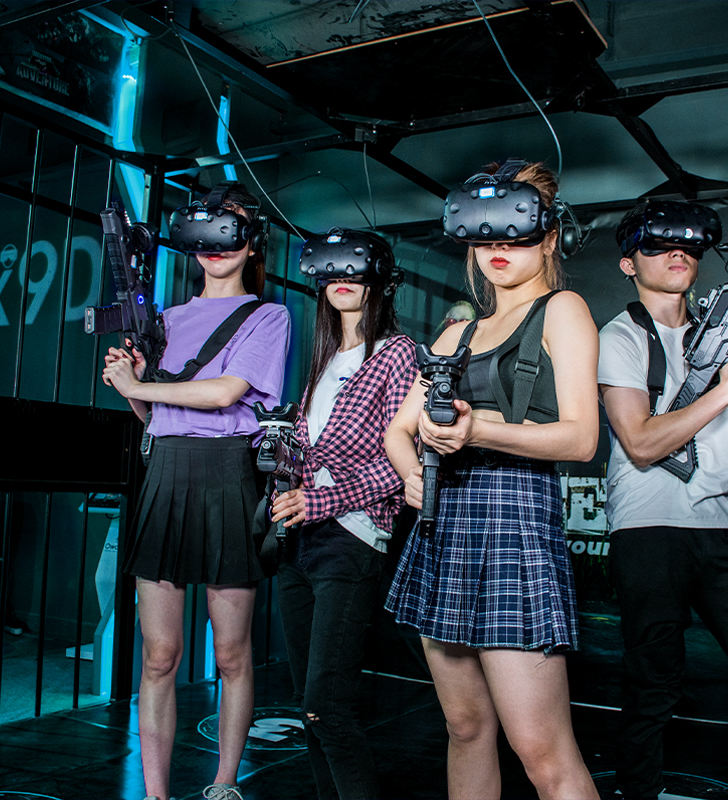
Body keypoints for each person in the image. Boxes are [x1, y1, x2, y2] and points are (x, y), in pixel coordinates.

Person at [384, 160, 600, 800]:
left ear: (550, 237)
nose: (497, 249)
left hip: (514, 524)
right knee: (465, 726)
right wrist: (411, 475)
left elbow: (581, 438)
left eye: (516, 234)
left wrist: (478, 430)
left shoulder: (561, 310)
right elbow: (400, 430)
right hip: (444, 526)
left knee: (542, 754)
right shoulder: (458, 331)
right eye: (483, 237)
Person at [597, 199, 728, 800]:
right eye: (656, 246)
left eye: (687, 246)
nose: (676, 254)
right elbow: (640, 442)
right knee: (653, 684)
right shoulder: (620, 335)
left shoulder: (721, 325)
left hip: (722, 527)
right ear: (629, 264)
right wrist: (724, 392)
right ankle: (639, 792)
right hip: (648, 529)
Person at [102, 184, 291, 800]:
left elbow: (224, 393)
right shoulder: (163, 320)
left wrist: (141, 387)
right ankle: (154, 793)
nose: (215, 242)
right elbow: (152, 416)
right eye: (205, 228)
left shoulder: (269, 316)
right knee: (159, 655)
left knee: (232, 654)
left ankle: (224, 783)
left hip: (227, 475)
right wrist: (128, 382)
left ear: (251, 242)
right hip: (165, 473)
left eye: (229, 228)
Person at [270, 228, 417, 799]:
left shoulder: (396, 352)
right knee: (308, 708)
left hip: (352, 538)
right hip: (299, 541)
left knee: (328, 706)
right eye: (330, 271)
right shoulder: (326, 357)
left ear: (379, 280)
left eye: (353, 270)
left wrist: (320, 499)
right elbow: (315, 452)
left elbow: (401, 463)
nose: (341, 280)